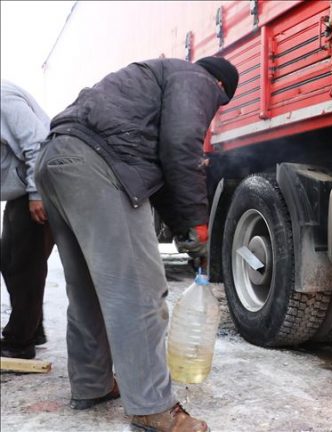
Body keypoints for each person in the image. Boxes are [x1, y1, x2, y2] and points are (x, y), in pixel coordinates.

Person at [35, 57, 238, 432]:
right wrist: (197, 224)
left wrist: (183, 231)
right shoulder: (196, 78)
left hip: (56, 159)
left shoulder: (155, 79)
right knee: (139, 293)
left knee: (88, 291)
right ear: (220, 87)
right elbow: (181, 149)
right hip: (96, 164)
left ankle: (92, 384)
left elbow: (154, 180)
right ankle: (151, 406)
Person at [0, 80, 55, 360]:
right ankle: (32, 329)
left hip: (39, 187)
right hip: (21, 192)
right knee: (11, 259)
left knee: (25, 264)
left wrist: (36, 193)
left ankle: (20, 342)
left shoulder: (3, 98)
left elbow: (37, 141)